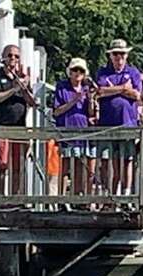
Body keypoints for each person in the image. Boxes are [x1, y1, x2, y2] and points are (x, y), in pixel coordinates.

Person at [95, 39, 143, 197]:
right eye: (116, 54)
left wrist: (112, 89)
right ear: (110, 56)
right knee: (107, 161)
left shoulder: (133, 72)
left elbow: (136, 95)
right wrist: (123, 88)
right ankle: (108, 195)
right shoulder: (103, 72)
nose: (119, 57)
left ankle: (126, 194)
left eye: (122, 54)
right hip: (107, 125)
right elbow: (100, 91)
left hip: (128, 124)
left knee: (127, 160)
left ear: (127, 55)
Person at [52, 57, 97, 201]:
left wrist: (91, 99)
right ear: (69, 72)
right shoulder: (62, 87)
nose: (78, 73)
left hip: (83, 132)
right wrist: (74, 100)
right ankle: (61, 199)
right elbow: (56, 111)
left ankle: (77, 199)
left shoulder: (86, 89)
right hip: (66, 131)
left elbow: (90, 113)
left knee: (80, 166)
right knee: (65, 167)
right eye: (75, 70)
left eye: (81, 71)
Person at [0, 44, 37, 196]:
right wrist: (13, 89)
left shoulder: (21, 77)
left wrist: (24, 87)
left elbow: (33, 102)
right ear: (3, 57)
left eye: (16, 56)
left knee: (17, 165)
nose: (13, 58)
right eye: (10, 55)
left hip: (20, 128)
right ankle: (0, 197)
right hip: (3, 128)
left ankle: (15, 198)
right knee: (2, 165)